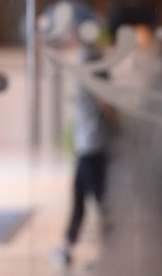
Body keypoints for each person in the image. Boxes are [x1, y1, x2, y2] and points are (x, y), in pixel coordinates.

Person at [52, 42, 116, 267]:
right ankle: (66, 246)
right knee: (79, 197)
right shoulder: (89, 58)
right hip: (87, 144)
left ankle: (110, 253)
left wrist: (119, 130)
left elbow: (107, 102)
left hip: (94, 146)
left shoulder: (91, 60)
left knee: (101, 202)